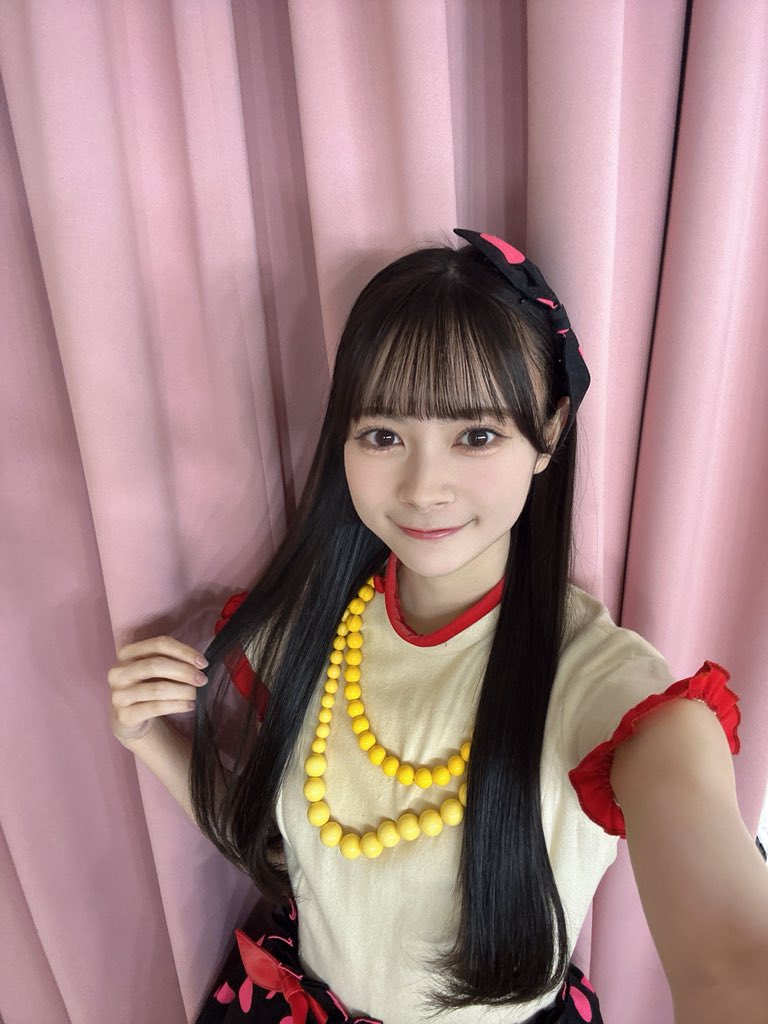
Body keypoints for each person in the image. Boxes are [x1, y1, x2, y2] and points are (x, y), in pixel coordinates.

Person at [108, 230, 768, 1024]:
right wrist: (150, 738)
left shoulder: (596, 680)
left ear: (549, 434)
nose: (425, 487)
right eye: (383, 435)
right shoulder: (308, 631)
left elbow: (734, 961)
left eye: (476, 435)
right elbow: (298, 861)